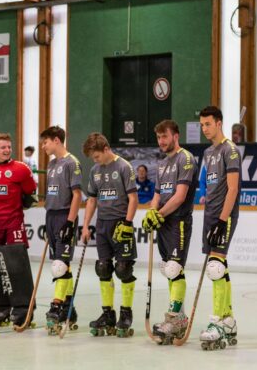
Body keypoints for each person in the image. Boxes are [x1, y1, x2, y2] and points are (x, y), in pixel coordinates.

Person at [141, 120, 197, 344]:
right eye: (158, 137)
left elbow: (180, 196)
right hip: (163, 222)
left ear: (176, 136)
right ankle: (178, 318)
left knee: (175, 268)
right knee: (169, 270)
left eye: (165, 136)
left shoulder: (186, 158)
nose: (161, 141)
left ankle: (175, 318)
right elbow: (157, 195)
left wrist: (160, 214)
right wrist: (151, 213)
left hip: (178, 220)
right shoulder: (162, 164)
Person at [80, 132, 138, 338]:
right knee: (103, 268)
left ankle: (126, 314)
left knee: (123, 269)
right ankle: (108, 314)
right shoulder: (95, 170)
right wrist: (85, 226)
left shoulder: (124, 167)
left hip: (120, 222)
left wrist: (127, 223)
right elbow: (92, 200)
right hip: (102, 225)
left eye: (96, 156)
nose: (95, 160)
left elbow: (133, 198)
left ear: (106, 149)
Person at [0, 133, 37, 325]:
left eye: (9, 147)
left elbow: (30, 192)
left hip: (13, 222)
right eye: (3, 147)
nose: (7, 150)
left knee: (16, 265)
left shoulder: (21, 169)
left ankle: (23, 309)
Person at [198, 106, 240, 350]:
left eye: (208, 124)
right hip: (210, 213)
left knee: (215, 267)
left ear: (219, 123)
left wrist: (222, 220)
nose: (204, 129)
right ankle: (228, 319)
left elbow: (232, 188)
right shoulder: (208, 152)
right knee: (219, 267)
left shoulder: (229, 150)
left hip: (224, 215)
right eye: (202, 125)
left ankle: (216, 322)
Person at [39, 125, 82, 333]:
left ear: (56, 140)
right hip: (51, 216)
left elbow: (77, 195)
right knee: (63, 265)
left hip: (65, 215)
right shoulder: (51, 164)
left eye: (45, 142)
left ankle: (56, 307)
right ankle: (69, 308)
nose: (43, 146)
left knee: (60, 266)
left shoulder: (71, 163)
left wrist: (70, 222)